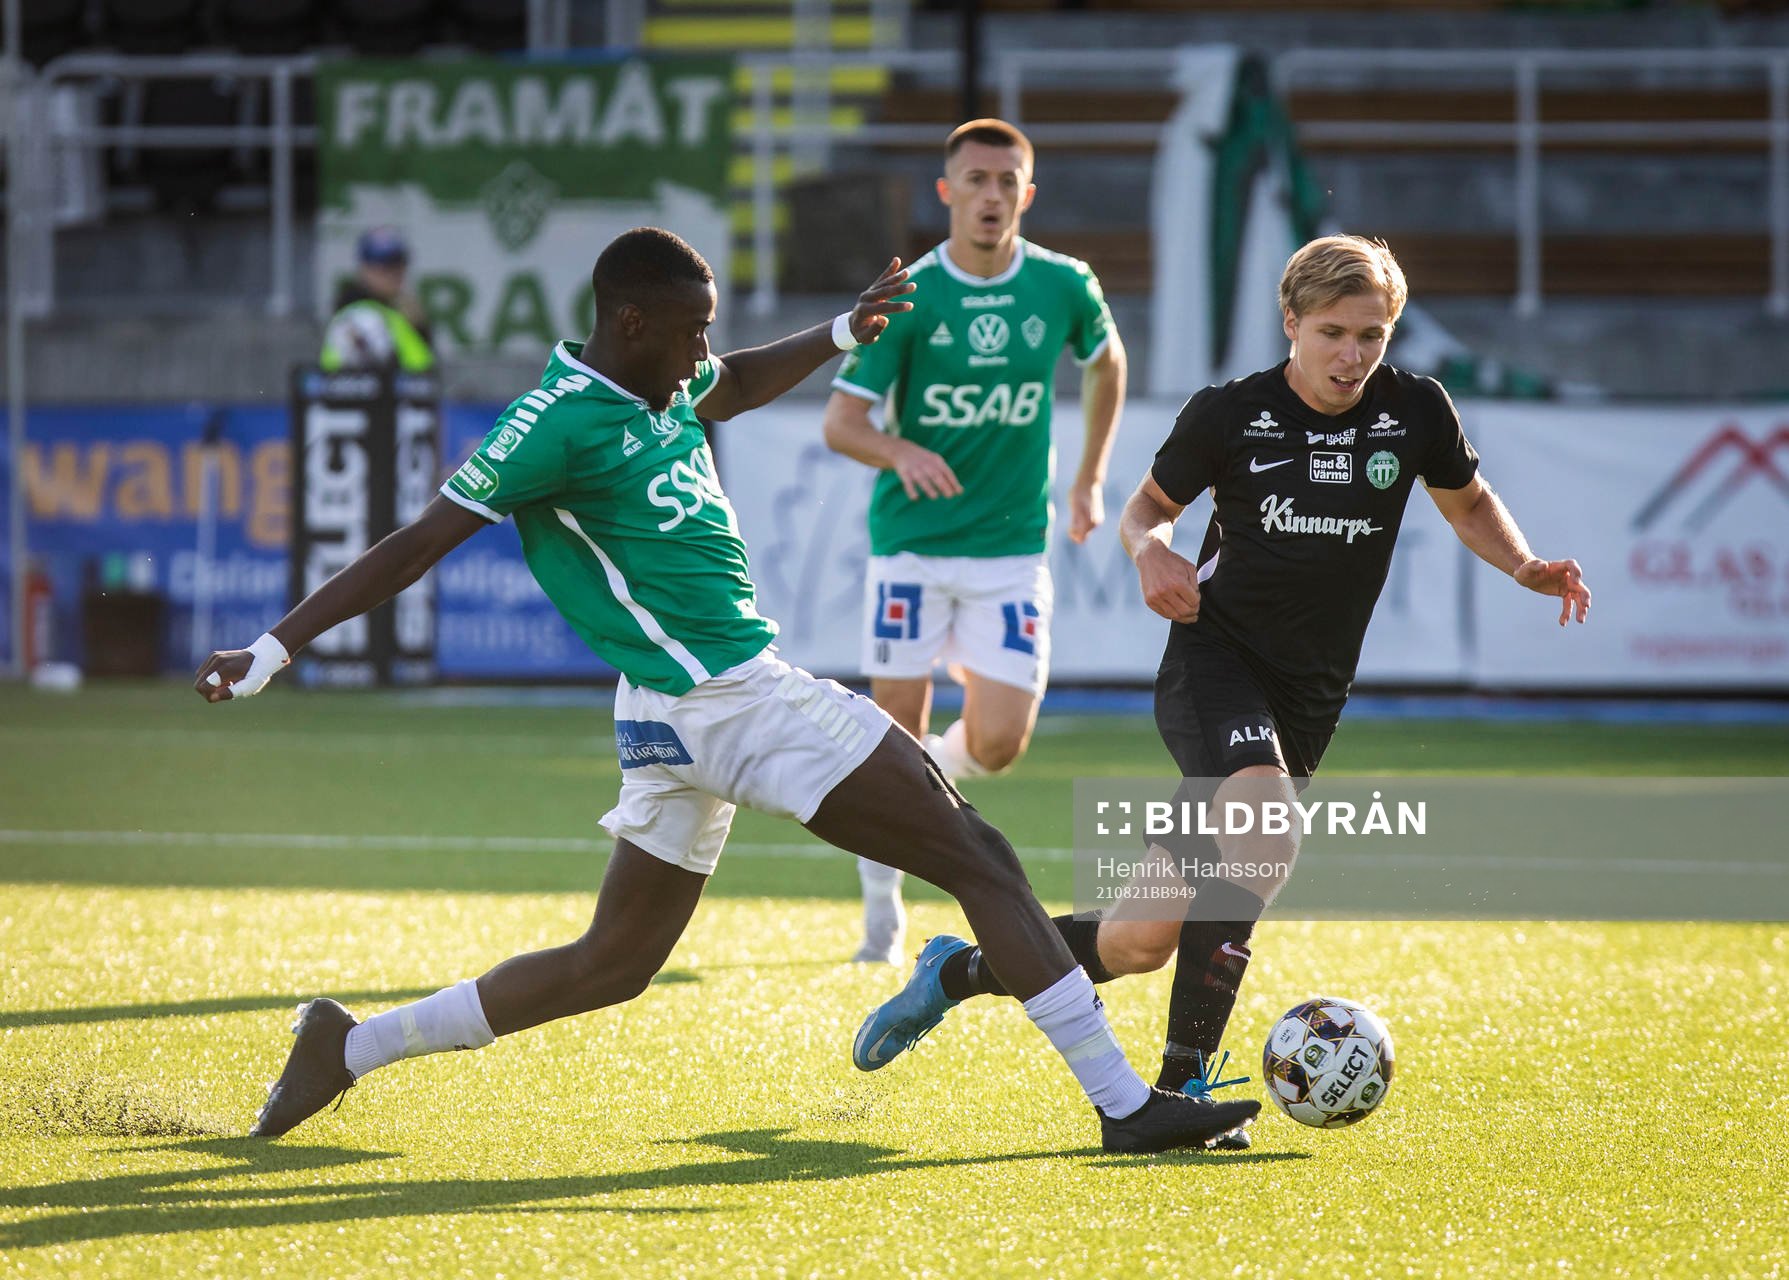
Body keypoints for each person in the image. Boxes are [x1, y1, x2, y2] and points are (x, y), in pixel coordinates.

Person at [196, 226, 1257, 1155]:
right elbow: (417, 542)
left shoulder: (661, 381)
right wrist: (275, 648)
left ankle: (350, 1043)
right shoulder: (555, 420)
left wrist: (839, 334)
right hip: (731, 697)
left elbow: (736, 382)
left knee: (610, 963)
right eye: (691, 329)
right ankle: (1123, 1103)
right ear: (630, 319)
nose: (704, 350)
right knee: (978, 855)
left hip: (666, 705)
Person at [851, 234, 1592, 1146]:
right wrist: (1149, 552)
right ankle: (1184, 1082)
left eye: (1372, 334)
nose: (1353, 355)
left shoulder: (1414, 411)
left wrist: (1522, 565)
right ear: (1290, 324)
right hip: (1213, 663)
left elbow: (1465, 497)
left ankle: (955, 972)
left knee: (1136, 941)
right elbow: (1143, 510)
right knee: (1264, 827)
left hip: (1309, 700)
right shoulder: (1231, 415)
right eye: (1332, 332)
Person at [822, 119, 1126, 964]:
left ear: (1026, 195)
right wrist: (900, 448)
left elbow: (1107, 363)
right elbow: (841, 421)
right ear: (947, 193)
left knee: (997, 741)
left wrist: (1090, 477)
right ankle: (881, 906)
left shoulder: (1063, 286)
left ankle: (926, 788)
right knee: (892, 734)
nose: (991, 195)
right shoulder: (912, 294)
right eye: (976, 180)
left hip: (1010, 549)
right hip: (913, 546)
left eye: (1007, 182)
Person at [320, 226, 436, 372]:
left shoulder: (396, 310)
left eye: (398, 265)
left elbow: (422, 365)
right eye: (383, 268)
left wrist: (420, 327)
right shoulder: (360, 315)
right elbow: (370, 380)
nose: (394, 275)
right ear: (365, 269)